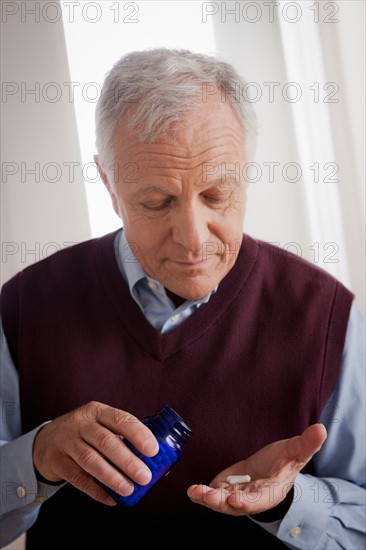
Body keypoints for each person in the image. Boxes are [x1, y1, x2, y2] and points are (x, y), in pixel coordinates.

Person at [0, 48, 365, 549]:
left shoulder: (329, 317)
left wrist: (288, 502)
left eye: (217, 195)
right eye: (156, 202)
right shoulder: (24, 306)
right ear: (109, 184)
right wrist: (35, 458)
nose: (193, 239)